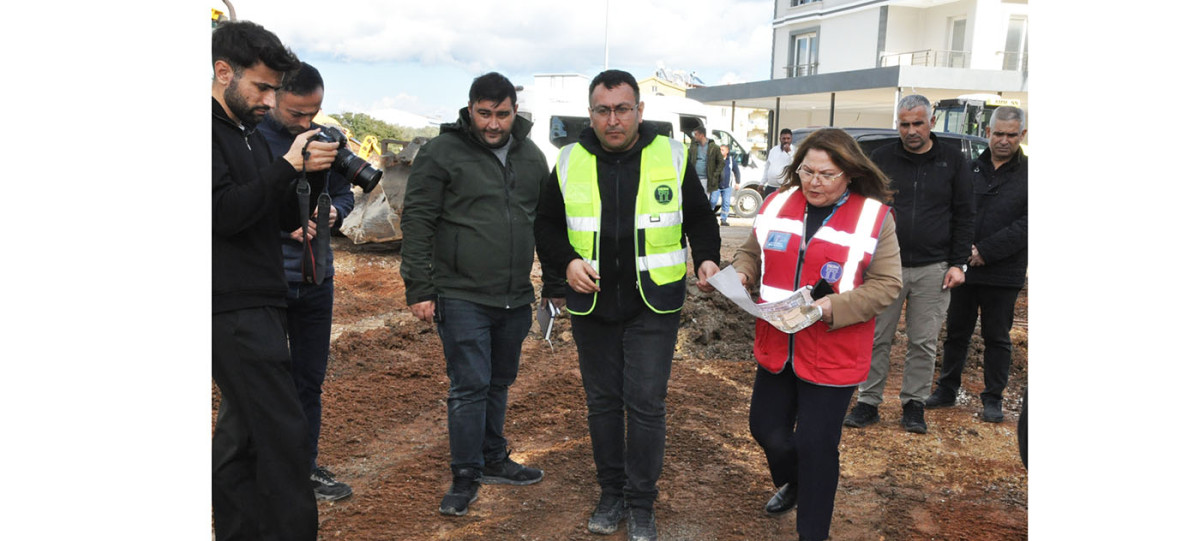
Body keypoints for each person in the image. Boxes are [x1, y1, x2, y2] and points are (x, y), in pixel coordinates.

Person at [534, 69, 721, 541]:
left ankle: (641, 502)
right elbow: (547, 226)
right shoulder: (569, 159)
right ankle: (610, 492)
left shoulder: (672, 155)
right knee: (602, 403)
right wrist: (567, 262)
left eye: (622, 109)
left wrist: (708, 259)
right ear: (591, 113)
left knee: (644, 404)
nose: (613, 119)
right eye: (603, 110)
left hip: (652, 302)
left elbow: (699, 217)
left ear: (639, 111)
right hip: (591, 301)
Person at [726, 127, 902, 541]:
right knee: (765, 429)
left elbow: (887, 285)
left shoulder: (874, 217)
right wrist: (741, 272)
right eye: (807, 171)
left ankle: (813, 531)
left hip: (832, 351)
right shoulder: (776, 202)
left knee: (817, 447)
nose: (814, 182)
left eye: (827, 174)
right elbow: (753, 251)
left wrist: (829, 307)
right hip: (777, 343)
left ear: (850, 174)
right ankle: (797, 482)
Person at [211, 20, 339, 540]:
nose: (269, 98)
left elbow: (281, 210)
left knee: (241, 438)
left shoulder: (247, 135)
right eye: (261, 86)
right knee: (284, 435)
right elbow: (221, 213)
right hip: (230, 303)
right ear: (224, 72)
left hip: (263, 297)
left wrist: (311, 171)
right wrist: (286, 164)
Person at [399, 72, 548, 517]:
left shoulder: (531, 155)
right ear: (469, 108)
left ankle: (494, 458)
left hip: (515, 296)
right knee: (469, 385)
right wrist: (419, 287)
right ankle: (466, 473)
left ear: (514, 111)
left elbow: (545, 223)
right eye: (484, 113)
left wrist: (554, 283)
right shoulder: (442, 152)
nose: (492, 124)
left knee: (498, 382)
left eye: (502, 114)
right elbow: (418, 220)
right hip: (460, 292)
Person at [843, 94, 974, 434]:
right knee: (876, 336)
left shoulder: (953, 160)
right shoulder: (881, 158)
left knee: (923, 340)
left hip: (934, 267)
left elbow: (964, 214)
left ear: (931, 122)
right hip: (885, 266)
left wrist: (958, 263)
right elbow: (863, 210)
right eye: (904, 124)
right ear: (897, 124)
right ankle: (868, 402)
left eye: (918, 123)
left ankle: (913, 405)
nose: (911, 130)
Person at [258, 62, 355, 501]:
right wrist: (284, 225)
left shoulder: (325, 138)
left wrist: (335, 211)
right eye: (297, 113)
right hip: (267, 282)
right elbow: (238, 205)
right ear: (274, 96)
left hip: (317, 278)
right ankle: (263, 470)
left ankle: (304, 467)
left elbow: (344, 191)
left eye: (313, 112)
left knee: (309, 380)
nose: (305, 123)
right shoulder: (254, 139)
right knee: (263, 384)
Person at [925, 106, 1027, 423]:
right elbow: (954, 212)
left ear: (1022, 135)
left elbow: (1027, 225)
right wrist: (962, 252)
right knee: (956, 332)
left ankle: (993, 398)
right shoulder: (968, 169)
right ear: (987, 133)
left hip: (1003, 272)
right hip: (964, 270)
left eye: (1012, 135)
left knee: (997, 337)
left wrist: (985, 250)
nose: (1004, 140)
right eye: (998, 133)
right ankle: (946, 389)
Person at [689, 125, 723, 205]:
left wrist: (715, 175)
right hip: (695, 178)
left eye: (696, 134)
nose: (695, 136)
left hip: (706, 179)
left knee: (703, 201)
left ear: (702, 135)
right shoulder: (694, 146)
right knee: (694, 200)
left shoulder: (714, 147)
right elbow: (689, 159)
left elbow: (721, 163)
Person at [761, 128, 795, 197]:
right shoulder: (773, 150)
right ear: (780, 139)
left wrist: (789, 152)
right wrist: (762, 183)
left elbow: (795, 166)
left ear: (791, 139)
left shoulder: (794, 151)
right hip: (771, 187)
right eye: (784, 138)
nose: (786, 141)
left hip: (785, 188)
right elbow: (767, 167)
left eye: (788, 138)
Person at [711, 144, 740, 226]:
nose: (720, 151)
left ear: (727, 151)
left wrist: (737, 182)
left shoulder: (730, 160)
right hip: (716, 185)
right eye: (720, 149)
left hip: (727, 186)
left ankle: (723, 220)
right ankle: (710, 218)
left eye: (722, 150)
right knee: (713, 201)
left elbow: (736, 171)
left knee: (726, 203)